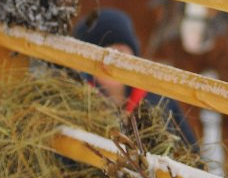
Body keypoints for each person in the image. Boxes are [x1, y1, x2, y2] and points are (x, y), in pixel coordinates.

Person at [72, 8, 197, 148]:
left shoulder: (159, 99)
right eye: (105, 51)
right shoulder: (78, 104)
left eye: (120, 50)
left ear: (134, 55)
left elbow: (192, 151)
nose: (114, 58)